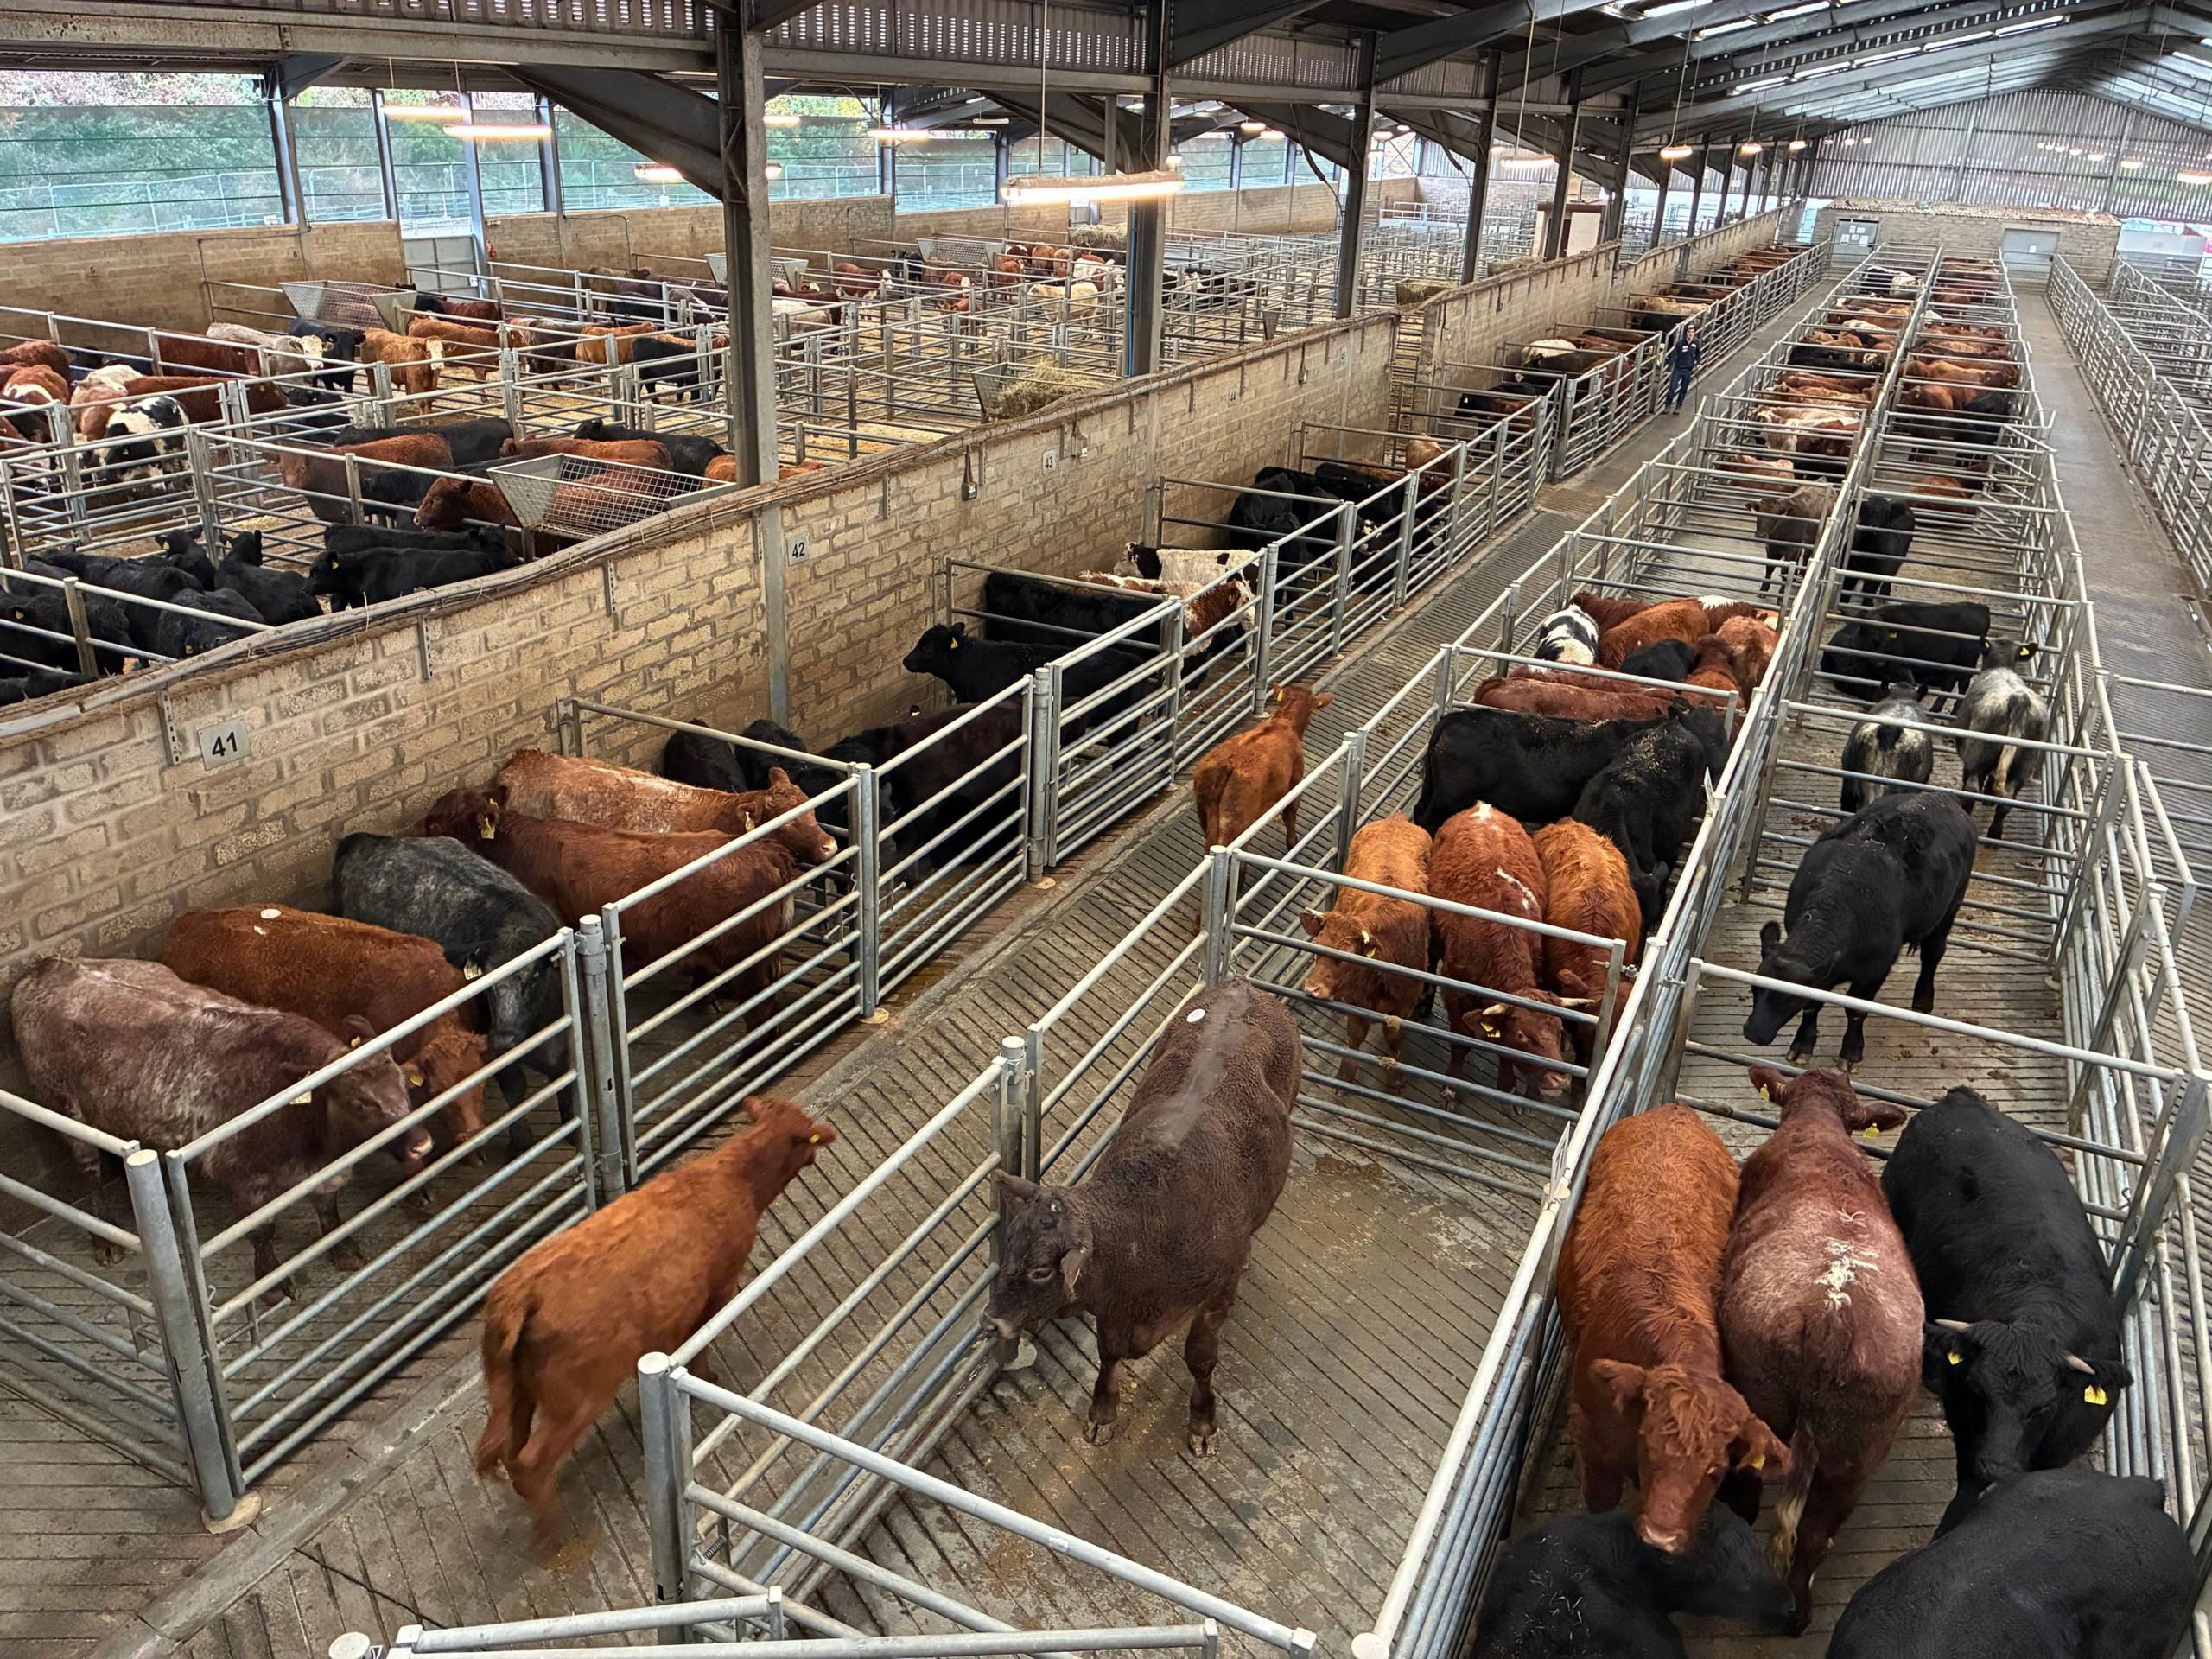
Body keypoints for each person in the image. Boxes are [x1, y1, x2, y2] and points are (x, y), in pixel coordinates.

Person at [1663, 320, 1702, 413]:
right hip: (1678, 368)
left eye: (1692, 332)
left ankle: (1678, 406)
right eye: (1689, 332)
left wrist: (1698, 363)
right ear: (1686, 333)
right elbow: (1674, 355)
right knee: (1672, 387)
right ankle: (1667, 405)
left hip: (1688, 369)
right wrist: (1670, 368)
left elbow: (1698, 353)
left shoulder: (1696, 342)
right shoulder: (1680, 343)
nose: (1691, 334)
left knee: (1683, 389)